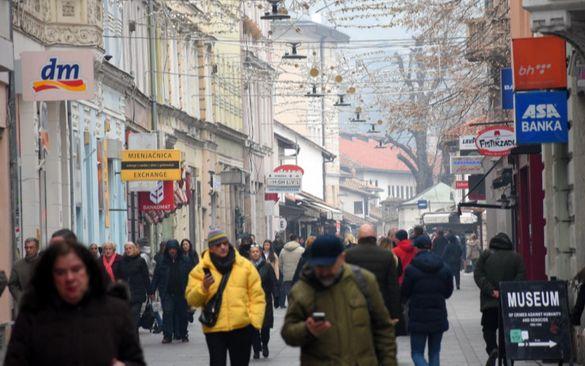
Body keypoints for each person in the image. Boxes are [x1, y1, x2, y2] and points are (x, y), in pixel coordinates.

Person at [4, 240, 145, 366]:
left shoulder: (116, 310)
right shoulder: (33, 315)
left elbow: (135, 359)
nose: (69, 278)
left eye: (76, 269)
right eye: (60, 272)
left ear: (88, 271)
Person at [281, 235, 397, 365]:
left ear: (342, 258)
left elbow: (384, 328)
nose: (325, 272)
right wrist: (306, 330)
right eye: (319, 267)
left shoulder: (364, 281)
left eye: (329, 266)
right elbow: (287, 332)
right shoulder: (301, 290)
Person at [185, 229, 265, 366]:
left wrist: (254, 323)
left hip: (241, 327)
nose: (222, 247)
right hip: (215, 328)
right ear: (210, 248)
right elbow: (191, 300)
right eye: (217, 245)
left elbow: (257, 296)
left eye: (225, 243)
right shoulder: (201, 270)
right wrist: (203, 288)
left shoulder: (245, 266)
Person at [474, 233, 525, 366]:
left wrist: (491, 290)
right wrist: (507, 290)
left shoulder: (486, 255)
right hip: (510, 302)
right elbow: (521, 274)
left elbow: (478, 274)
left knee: (488, 328)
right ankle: (509, 353)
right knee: (511, 329)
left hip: (490, 302)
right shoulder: (516, 257)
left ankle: (493, 349)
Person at [402, 235, 454, 366]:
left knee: (417, 353)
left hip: (418, 316)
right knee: (434, 352)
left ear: (416, 249)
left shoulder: (411, 268)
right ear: (431, 247)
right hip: (438, 314)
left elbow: (405, 293)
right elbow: (448, 292)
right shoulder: (444, 267)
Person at [346, 224, 402, 326]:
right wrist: (395, 314)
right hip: (382, 307)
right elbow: (393, 287)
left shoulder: (348, 255)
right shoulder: (387, 256)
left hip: (355, 308)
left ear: (359, 238)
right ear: (375, 237)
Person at [150, 239, 191, 343]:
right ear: (167, 250)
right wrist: (152, 291)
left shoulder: (185, 260)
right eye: (170, 249)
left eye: (174, 249)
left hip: (182, 292)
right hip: (167, 292)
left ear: (177, 249)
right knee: (167, 313)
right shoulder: (162, 261)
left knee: (182, 314)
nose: (172, 251)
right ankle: (167, 335)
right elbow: (156, 277)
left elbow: (191, 276)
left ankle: (183, 333)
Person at [249, 245, 277, 359]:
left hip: (265, 300)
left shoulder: (267, 266)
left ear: (260, 253)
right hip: (251, 302)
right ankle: (256, 349)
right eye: (253, 252)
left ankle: (264, 344)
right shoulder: (247, 267)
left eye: (257, 252)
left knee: (265, 326)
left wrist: (276, 296)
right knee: (253, 327)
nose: (255, 253)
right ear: (250, 254)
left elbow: (273, 282)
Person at [119, 241, 151, 334]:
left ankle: (133, 333)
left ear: (134, 249)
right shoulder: (122, 261)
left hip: (138, 292)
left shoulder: (140, 261)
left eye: (130, 248)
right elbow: (119, 276)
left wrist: (149, 291)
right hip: (125, 293)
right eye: (126, 249)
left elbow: (146, 276)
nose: (128, 250)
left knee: (134, 313)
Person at [8, 237, 41, 306]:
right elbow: (12, 284)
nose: (28, 250)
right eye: (26, 247)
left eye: (31, 247)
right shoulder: (17, 266)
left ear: (37, 248)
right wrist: (21, 297)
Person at [278, 234, 304, 308]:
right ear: (297, 240)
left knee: (289, 292)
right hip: (298, 276)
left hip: (287, 275)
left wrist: (284, 272)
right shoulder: (301, 250)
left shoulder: (283, 250)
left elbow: (280, 264)